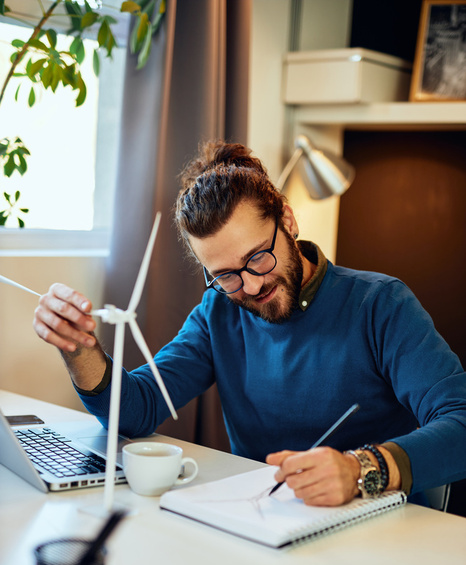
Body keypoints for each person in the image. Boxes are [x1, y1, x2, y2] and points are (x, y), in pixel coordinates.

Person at [33, 140, 466, 507]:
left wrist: (360, 468)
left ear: (289, 221)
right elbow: (136, 411)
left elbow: (460, 420)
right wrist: (79, 349)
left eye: (258, 256)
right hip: (268, 520)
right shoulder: (217, 312)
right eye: (225, 275)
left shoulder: (379, 304)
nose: (252, 285)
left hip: (383, 521)